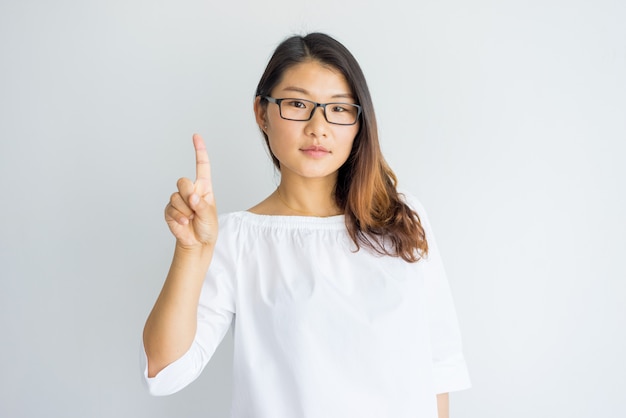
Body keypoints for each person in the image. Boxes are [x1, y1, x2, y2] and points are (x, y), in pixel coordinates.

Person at [141, 32, 471, 418]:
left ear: (358, 122)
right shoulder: (235, 240)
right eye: (297, 104)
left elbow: (439, 368)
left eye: (339, 108)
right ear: (262, 113)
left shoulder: (403, 221)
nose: (318, 127)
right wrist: (190, 252)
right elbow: (164, 371)